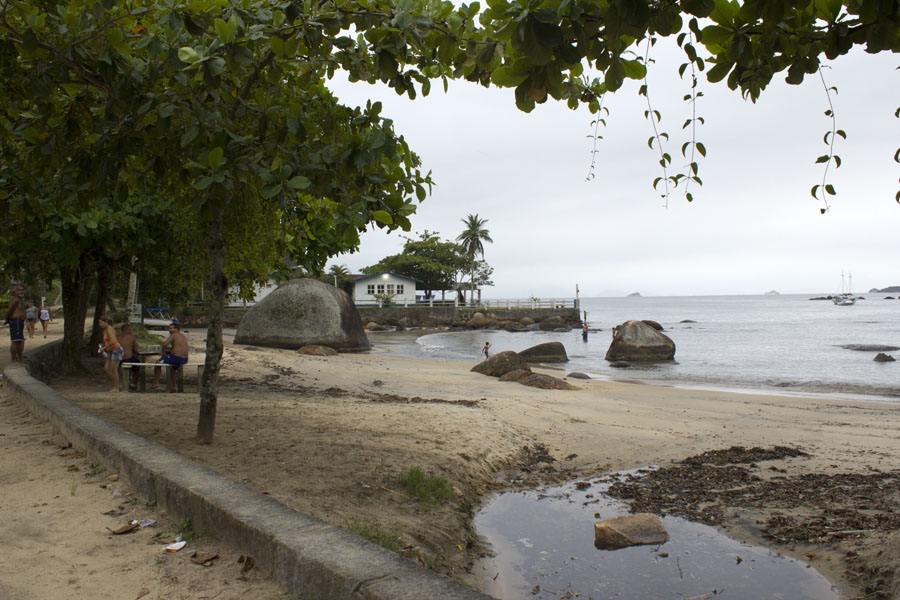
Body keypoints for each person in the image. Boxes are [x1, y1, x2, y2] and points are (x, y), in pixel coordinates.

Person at [153, 321, 189, 392]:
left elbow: (164, 344)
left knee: (157, 362)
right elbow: (176, 348)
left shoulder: (174, 335)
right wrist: (168, 351)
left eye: (171, 328)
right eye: (169, 328)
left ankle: (156, 383)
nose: (169, 330)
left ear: (176, 329)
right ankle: (174, 387)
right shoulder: (182, 336)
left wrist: (163, 352)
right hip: (185, 359)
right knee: (173, 369)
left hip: (177, 358)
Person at [98, 316, 123, 392]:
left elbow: (113, 341)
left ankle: (116, 387)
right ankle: (117, 383)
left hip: (116, 350)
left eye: (101, 322)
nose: (100, 324)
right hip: (109, 350)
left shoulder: (109, 329)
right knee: (106, 368)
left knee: (113, 369)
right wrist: (102, 345)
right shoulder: (104, 330)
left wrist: (103, 348)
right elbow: (107, 341)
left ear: (105, 322)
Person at [3, 284, 26, 362]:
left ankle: (20, 357)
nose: (21, 291)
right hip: (16, 320)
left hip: (20, 321)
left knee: (21, 340)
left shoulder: (21, 300)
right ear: (15, 291)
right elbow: (10, 310)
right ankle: (14, 358)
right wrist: (7, 318)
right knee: (16, 340)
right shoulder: (15, 300)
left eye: (22, 290)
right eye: (19, 290)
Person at [118, 323, 142, 392]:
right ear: (127, 329)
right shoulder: (131, 337)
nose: (131, 330)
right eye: (130, 329)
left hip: (118, 359)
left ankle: (125, 382)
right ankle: (133, 383)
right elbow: (136, 349)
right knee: (138, 366)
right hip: (127, 358)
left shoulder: (118, 337)